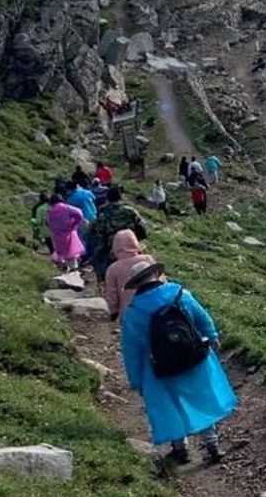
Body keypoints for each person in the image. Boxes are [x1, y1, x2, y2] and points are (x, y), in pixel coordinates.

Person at [120, 263, 237, 466]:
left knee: (171, 405)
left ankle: (180, 449)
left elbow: (132, 351)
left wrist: (136, 380)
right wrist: (212, 336)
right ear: (156, 274)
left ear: (136, 284)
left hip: (161, 367)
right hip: (194, 356)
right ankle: (212, 445)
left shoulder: (133, 312)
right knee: (203, 398)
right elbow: (202, 318)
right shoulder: (179, 293)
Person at [86, 186, 149, 289]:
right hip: (132, 247)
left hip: (111, 252)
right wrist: (138, 240)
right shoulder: (130, 211)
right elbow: (143, 228)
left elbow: (96, 235)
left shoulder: (103, 214)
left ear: (107, 198)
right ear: (120, 197)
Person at [102, 229, 157, 321]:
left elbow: (112, 293)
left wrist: (113, 311)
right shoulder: (148, 259)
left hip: (129, 313)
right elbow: (161, 280)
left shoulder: (113, 269)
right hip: (153, 307)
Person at [46, 190, 86, 271]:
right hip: (68, 233)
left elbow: (47, 222)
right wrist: (74, 224)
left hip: (57, 236)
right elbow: (79, 214)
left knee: (61, 253)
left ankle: (64, 268)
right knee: (72, 253)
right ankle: (74, 272)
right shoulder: (66, 207)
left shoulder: (50, 211)